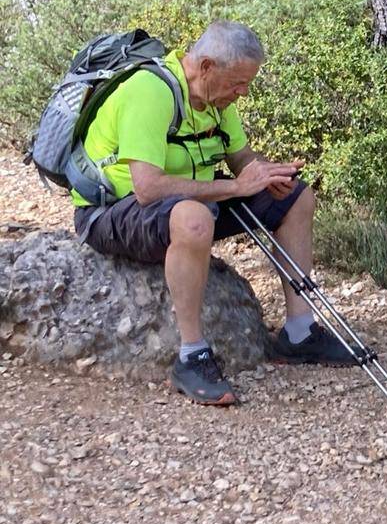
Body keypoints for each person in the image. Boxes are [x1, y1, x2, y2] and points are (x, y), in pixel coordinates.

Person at [72, 20, 355, 406]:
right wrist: (235, 188)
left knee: (297, 199)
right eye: (237, 83)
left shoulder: (215, 99)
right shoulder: (150, 92)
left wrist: (266, 174)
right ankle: (192, 356)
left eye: (247, 84)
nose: (242, 93)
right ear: (206, 66)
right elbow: (148, 187)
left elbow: (239, 157)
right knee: (194, 218)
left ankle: (299, 332)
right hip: (112, 214)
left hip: (189, 203)